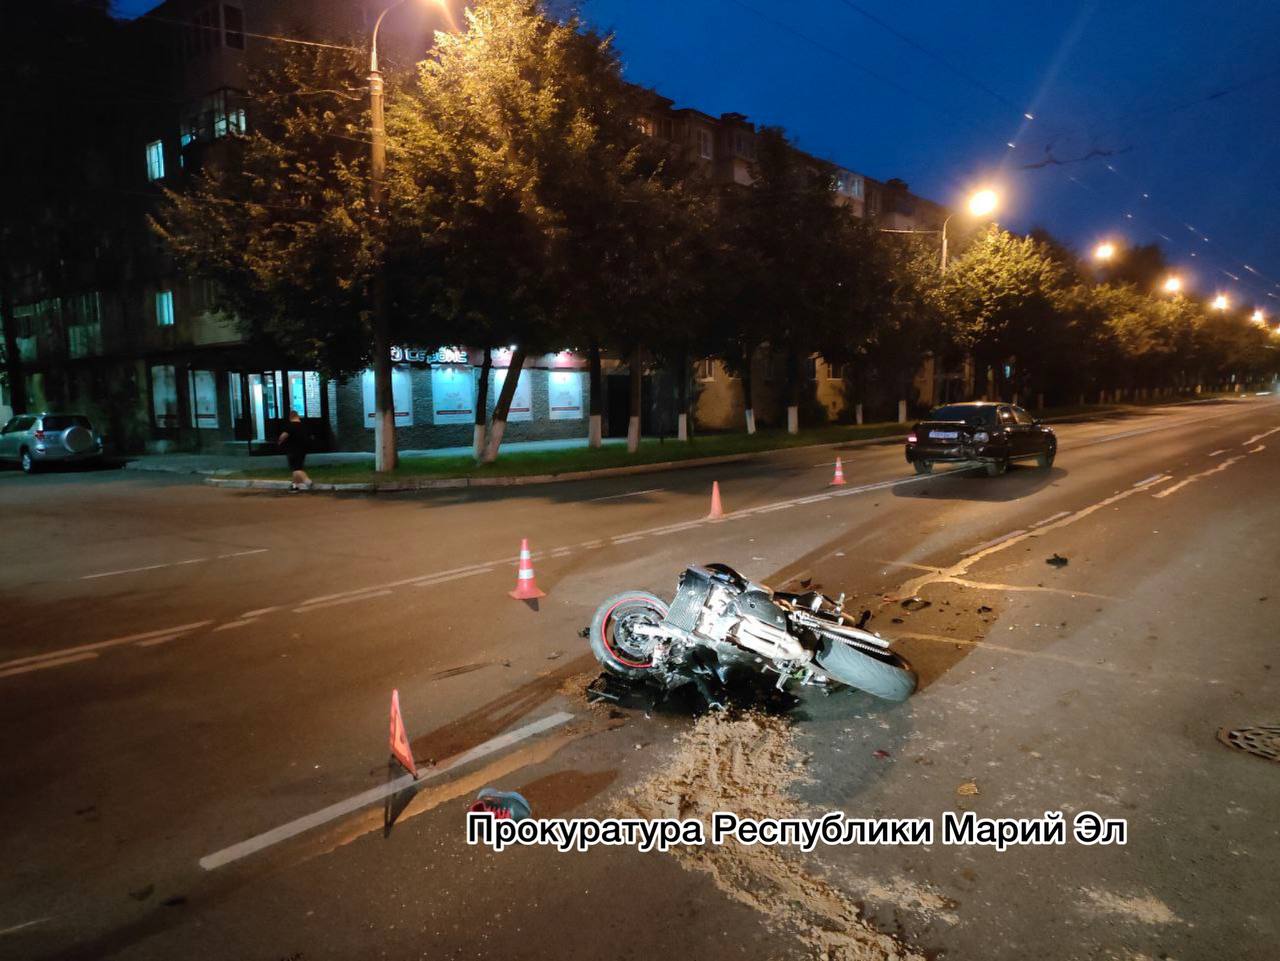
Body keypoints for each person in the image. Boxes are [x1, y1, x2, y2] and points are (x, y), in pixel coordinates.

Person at [278, 410, 313, 491]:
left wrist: (279, 442)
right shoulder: (304, 426)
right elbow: (311, 437)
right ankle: (294, 486)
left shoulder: (290, 426)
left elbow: (283, 436)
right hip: (303, 449)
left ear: (290, 417)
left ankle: (307, 481)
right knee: (297, 467)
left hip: (292, 449)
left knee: (296, 468)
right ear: (298, 416)